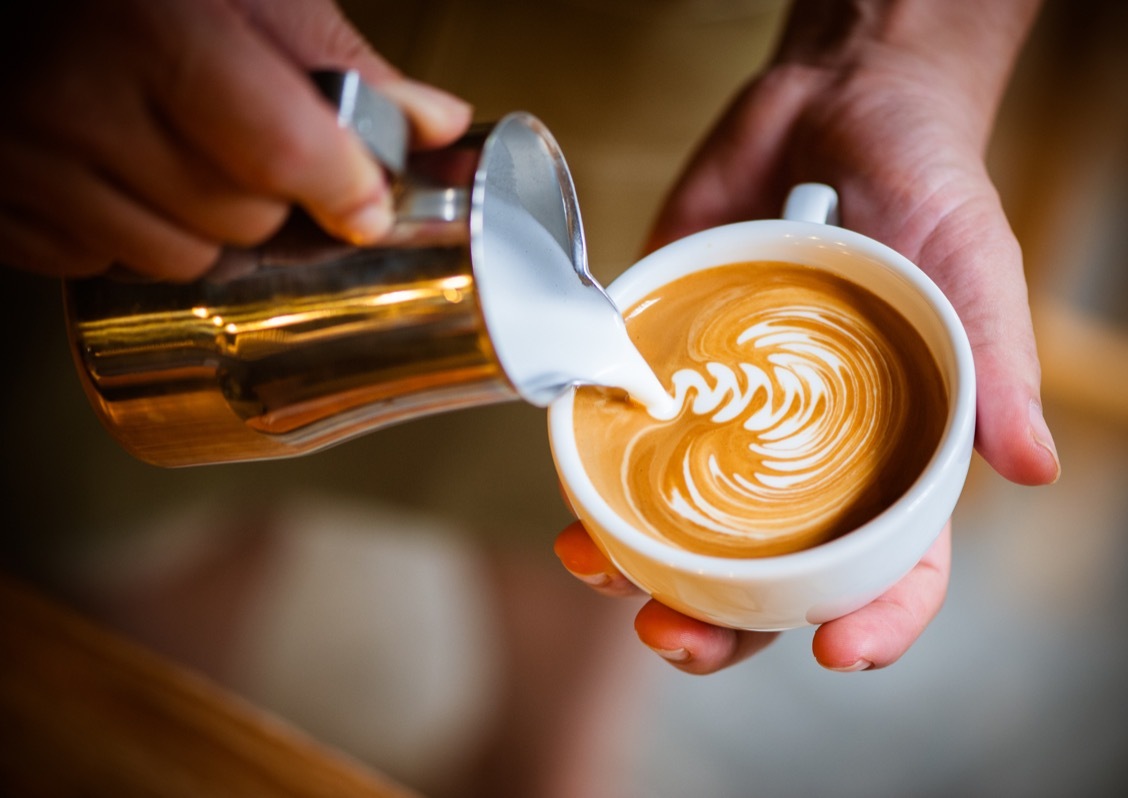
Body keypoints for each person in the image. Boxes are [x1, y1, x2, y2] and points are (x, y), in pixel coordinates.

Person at [0, 0, 1059, 676]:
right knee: (138, 510)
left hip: (646, 76)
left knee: (555, 556)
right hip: (145, 78)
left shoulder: (690, 223)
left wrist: (890, 54)